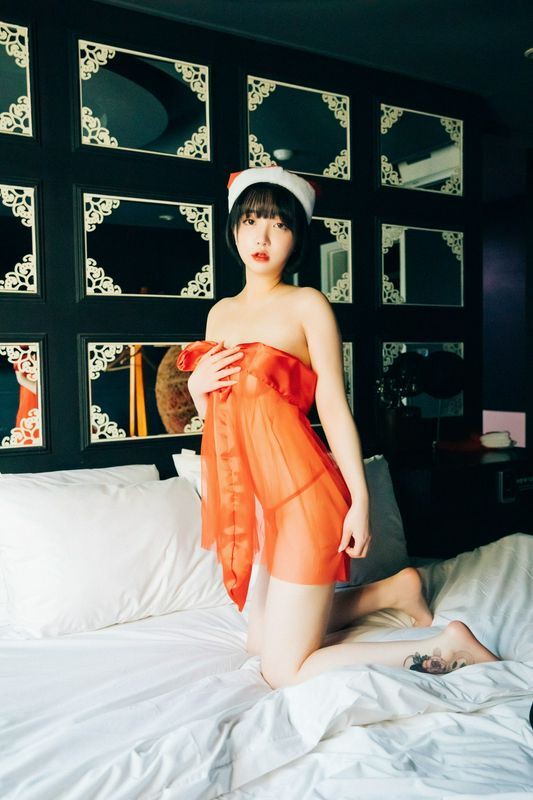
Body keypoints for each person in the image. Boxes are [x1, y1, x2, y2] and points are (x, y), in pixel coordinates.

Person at [176, 166, 499, 689]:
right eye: (252, 221)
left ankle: (446, 645)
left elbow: (333, 408)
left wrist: (360, 500)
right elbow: (224, 424)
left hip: (307, 501)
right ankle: (394, 591)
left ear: (296, 237)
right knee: (257, 641)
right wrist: (196, 390)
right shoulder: (220, 315)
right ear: (234, 228)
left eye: (279, 225)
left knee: (281, 670)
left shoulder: (307, 305)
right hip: (271, 507)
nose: (262, 238)